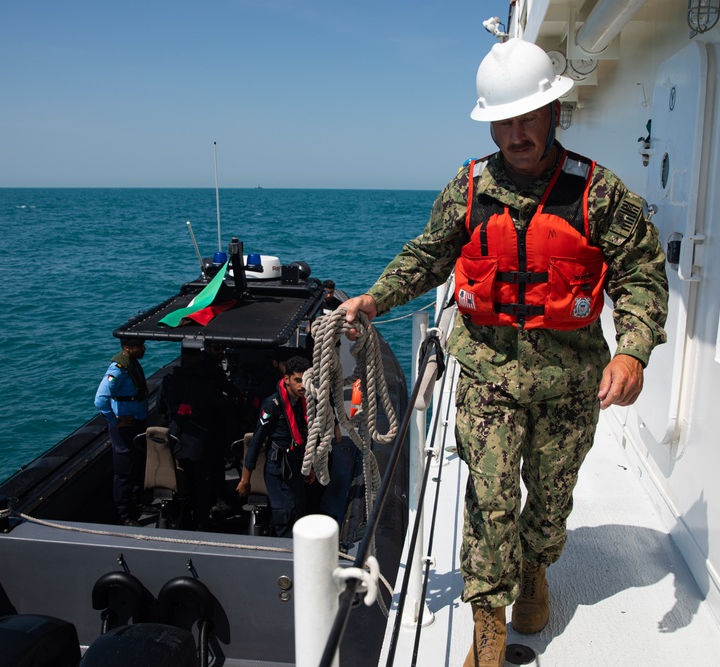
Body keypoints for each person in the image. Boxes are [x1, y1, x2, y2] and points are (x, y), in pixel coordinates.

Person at [340, 39, 668, 667]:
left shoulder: (600, 195)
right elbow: (426, 256)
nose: (516, 133)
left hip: (571, 384)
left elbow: (642, 274)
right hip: (490, 379)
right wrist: (375, 299)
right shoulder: (467, 189)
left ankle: (538, 569)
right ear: (491, 122)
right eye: (504, 120)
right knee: (489, 501)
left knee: (549, 500)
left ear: (553, 114)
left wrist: (632, 352)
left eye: (528, 117)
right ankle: (488, 625)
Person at [158, 342, 244, 530]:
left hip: (176, 444)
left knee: (183, 484)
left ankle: (184, 521)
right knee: (203, 487)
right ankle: (201, 523)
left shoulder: (168, 382)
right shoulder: (204, 386)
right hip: (202, 445)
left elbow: (160, 408)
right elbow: (225, 407)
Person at [236, 356, 317, 537]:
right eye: (297, 380)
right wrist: (245, 479)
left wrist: (308, 468)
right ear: (286, 379)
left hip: (296, 466)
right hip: (278, 469)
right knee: (285, 514)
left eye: (305, 381)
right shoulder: (272, 406)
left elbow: (304, 437)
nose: (302, 386)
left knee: (298, 511)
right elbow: (255, 442)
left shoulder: (304, 403)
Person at [94, 337, 150, 527]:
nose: (143, 349)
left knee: (138, 464)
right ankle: (125, 515)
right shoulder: (117, 369)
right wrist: (114, 420)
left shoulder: (131, 364)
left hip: (137, 423)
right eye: (139, 347)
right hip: (125, 428)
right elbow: (100, 399)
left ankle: (137, 503)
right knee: (124, 471)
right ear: (127, 348)